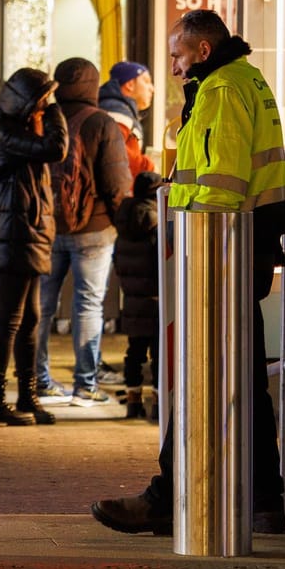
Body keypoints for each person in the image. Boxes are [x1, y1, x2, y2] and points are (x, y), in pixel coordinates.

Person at [92, 9, 285, 536]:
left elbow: (222, 183)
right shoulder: (245, 79)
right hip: (241, 246)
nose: (175, 68)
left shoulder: (223, 89)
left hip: (220, 248)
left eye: (178, 56)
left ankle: (170, 497)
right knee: (242, 382)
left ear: (203, 51)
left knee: (202, 379)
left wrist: (177, 212)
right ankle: (264, 501)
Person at [33, 58, 134, 407]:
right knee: (88, 305)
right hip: (94, 228)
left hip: (46, 226)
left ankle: (39, 381)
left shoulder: (44, 120)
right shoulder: (101, 122)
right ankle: (85, 386)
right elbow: (117, 181)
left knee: (41, 305)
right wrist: (122, 221)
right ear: (92, 85)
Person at [0, 67, 68, 427]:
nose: (44, 105)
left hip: (24, 232)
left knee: (29, 319)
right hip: (12, 233)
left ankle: (26, 397)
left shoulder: (17, 129)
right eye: (41, 99)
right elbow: (57, 148)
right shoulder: (4, 132)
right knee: (10, 321)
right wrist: (57, 110)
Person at [112, 169, 164, 421]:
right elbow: (161, 267)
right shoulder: (157, 226)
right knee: (158, 356)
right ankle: (158, 405)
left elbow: (118, 264)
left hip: (132, 301)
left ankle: (133, 403)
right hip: (155, 302)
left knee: (134, 353)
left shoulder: (123, 227)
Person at [101, 60, 157, 176]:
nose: (152, 89)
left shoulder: (116, 109)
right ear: (130, 84)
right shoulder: (117, 112)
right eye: (146, 82)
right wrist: (151, 168)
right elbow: (119, 156)